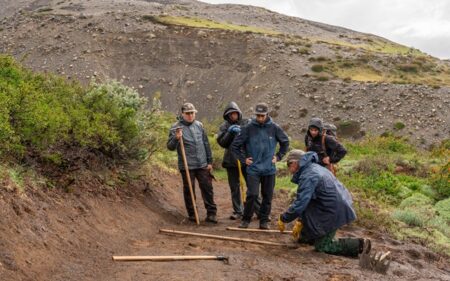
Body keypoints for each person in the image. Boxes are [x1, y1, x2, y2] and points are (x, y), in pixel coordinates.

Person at [278, 149, 371, 257]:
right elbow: (309, 201)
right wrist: (300, 221)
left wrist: (284, 218)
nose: (288, 168)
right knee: (304, 237)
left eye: (288, 164)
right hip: (328, 206)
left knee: (322, 246)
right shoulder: (312, 168)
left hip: (333, 210)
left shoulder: (309, 176)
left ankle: (359, 245)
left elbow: (300, 203)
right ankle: (307, 236)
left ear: (295, 162)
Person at [231, 102, 289, 229]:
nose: (260, 118)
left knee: (267, 196)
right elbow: (235, 146)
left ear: (267, 114)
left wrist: (278, 156)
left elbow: (285, 142)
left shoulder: (274, 128)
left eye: (262, 116)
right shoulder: (248, 128)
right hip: (253, 169)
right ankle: (246, 220)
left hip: (269, 169)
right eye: (258, 115)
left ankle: (263, 221)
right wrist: (243, 159)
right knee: (252, 194)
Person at [167, 102, 218, 223]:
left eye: (192, 113)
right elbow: (170, 147)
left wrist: (209, 161)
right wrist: (176, 138)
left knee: (207, 188)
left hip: (202, 164)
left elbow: (206, 144)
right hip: (187, 165)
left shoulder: (199, 125)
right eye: (188, 113)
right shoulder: (176, 127)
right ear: (183, 114)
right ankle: (192, 214)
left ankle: (211, 214)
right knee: (189, 190)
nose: (190, 115)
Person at [217, 102, 261, 220]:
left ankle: (259, 211)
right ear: (227, 115)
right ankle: (238, 211)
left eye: (235, 113)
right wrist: (229, 133)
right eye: (230, 114)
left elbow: (254, 137)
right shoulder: (224, 126)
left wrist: (241, 131)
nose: (233, 115)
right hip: (231, 160)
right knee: (234, 187)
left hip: (246, 159)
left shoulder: (246, 122)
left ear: (238, 113)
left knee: (252, 186)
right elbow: (222, 143)